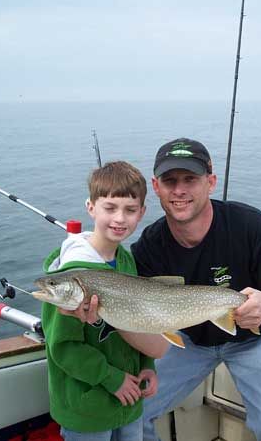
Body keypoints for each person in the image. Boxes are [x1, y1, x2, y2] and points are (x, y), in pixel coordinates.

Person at [129, 138, 261, 441]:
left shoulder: (250, 226)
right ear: (156, 186)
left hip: (255, 340)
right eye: (170, 181)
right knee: (132, 412)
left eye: (190, 179)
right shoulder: (148, 246)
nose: (179, 190)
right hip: (187, 340)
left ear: (210, 182)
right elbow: (143, 319)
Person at [41, 161, 169, 441]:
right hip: (88, 409)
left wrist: (147, 365)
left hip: (131, 403)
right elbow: (62, 346)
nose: (120, 219)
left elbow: (139, 319)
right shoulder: (69, 277)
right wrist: (113, 379)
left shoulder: (126, 260)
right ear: (91, 207)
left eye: (130, 210)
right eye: (110, 208)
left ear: (142, 212)